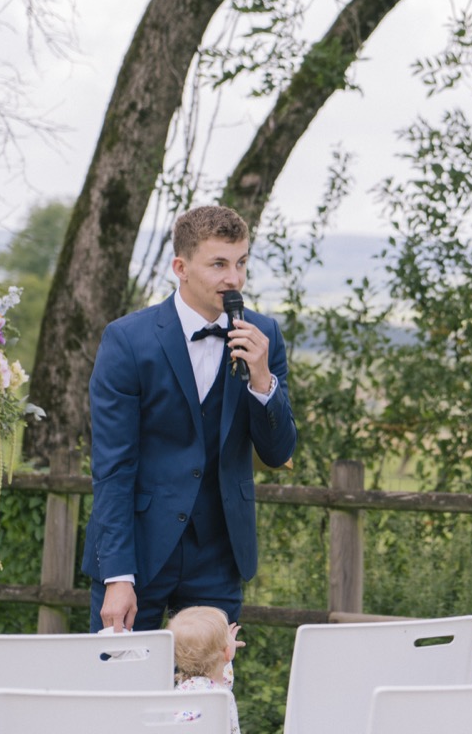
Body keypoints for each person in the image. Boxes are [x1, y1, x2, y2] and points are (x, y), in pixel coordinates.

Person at [82, 205, 297, 633]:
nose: (234, 279)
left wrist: (262, 379)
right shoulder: (127, 340)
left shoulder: (264, 336)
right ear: (180, 268)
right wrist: (118, 575)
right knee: (120, 674)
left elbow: (278, 453)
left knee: (210, 679)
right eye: (218, 264)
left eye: (241, 263)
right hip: (138, 551)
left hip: (219, 555)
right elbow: (113, 467)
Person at [169, 605, 244, 734]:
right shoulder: (212, 698)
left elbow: (225, 679)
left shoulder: (187, 687)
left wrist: (224, 647)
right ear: (227, 652)